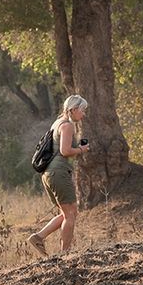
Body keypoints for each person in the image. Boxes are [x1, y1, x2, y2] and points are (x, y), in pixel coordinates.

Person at [27, 95, 90, 256]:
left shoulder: (57, 123)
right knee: (71, 214)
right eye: (82, 111)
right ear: (74, 109)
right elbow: (65, 151)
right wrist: (82, 150)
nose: (83, 114)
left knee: (66, 213)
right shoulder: (67, 125)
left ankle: (38, 237)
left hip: (49, 174)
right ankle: (65, 254)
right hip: (58, 172)